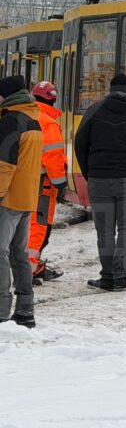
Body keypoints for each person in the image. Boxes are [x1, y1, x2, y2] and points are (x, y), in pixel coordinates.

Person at [74, 73, 126, 292]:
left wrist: (89, 173)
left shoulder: (94, 110)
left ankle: (108, 276)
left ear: (110, 90)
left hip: (99, 179)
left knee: (104, 231)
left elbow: (80, 143)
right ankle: (120, 277)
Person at [0, 75, 43, 328]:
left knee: (0, 254)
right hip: (27, 198)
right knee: (20, 255)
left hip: (8, 199)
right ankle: (26, 310)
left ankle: (2, 310)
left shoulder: (11, 120)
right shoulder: (33, 120)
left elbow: (5, 166)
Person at [28, 81, 68, 284]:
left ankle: (29, 266)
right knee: (38, 227)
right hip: (41, 185)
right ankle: (30, 270)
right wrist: (61, 183)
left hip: (20, 182)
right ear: (53, 99)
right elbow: (53, 157)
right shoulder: (48, 123)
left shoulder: (21, 116)